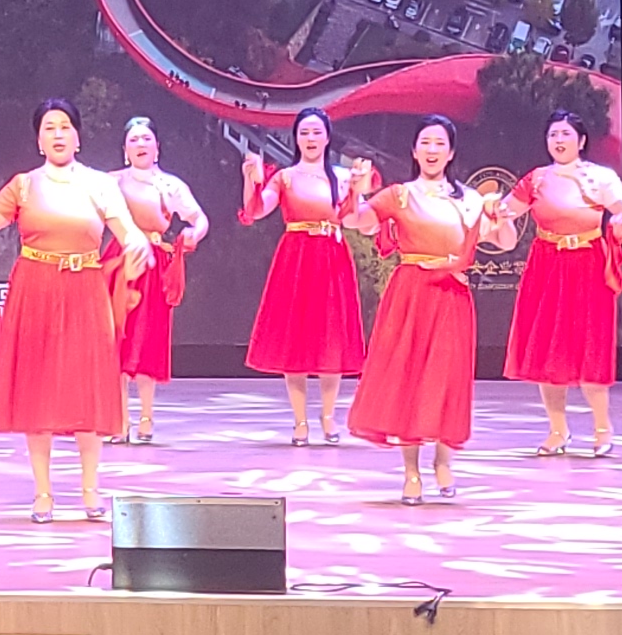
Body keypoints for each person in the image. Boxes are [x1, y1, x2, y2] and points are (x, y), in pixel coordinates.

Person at [0, 99, 154, 522]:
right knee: (37, 390)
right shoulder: (23, 186)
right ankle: (43, 492)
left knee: (87, 389)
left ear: (77, 137)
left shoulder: (99, 184)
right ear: (39, 141)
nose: (58, 134)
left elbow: (129, 232)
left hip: (85, 291)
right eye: (48, 128)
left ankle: (90, 489)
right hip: (36, 291)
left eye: (64, 126)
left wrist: (139, 247)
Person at [348, 116, 498, 504]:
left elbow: (504, 239)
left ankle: (443, 461)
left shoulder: (470, 199)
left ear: (451, 152)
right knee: (409, 377)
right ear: (415, 151)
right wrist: (358, 192)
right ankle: (411, 472)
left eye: (439, 143)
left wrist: (500, 217)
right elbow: (358, 222)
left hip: (452, 294)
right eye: (425, 143)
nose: (432, 150)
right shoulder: (399, 195)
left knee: (448, 378)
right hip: (411, 293)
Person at [484, 110, 622, 456]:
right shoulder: (537, 179)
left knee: (591, 346)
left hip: (588, 267)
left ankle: (602, 429)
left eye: (566, 134)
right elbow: (504, 212)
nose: (559, 140)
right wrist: (491, 211)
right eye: (553, 134)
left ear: (581, 141)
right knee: (547, 350)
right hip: (547, 266)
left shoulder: (600, 177)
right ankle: (558, 431)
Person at [240, 108, 374, 445]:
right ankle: (300, 421)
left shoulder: (342, 176)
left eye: (316, 132)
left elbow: (354, 219)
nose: (311, 139)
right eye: (304, 133)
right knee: (294, 338)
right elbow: (257, 210)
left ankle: (328, 418)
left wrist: (358, 189)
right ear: (296, 138)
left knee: (332, 337)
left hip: (331, 257)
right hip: (296, 259)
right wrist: (250, 179)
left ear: (327, 137)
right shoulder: (285, 177)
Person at [107, 115, 211, 446]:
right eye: (134, 140)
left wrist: (193, 233)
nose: (140, 144)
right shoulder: (110, 182)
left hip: (153, 266)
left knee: (147, 339)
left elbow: (199, 218)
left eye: (146, 139)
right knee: (117, 340)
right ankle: (119, 420)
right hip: (120, 262)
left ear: (157, 147)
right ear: (124, 149)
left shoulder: (170, 186)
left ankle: (146, 418)